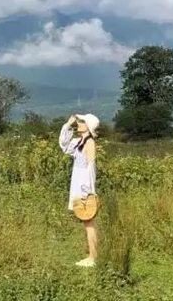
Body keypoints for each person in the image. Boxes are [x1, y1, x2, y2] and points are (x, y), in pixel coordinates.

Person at [59, 113, 100, 267]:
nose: (79, 123)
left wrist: (87, 191)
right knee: (86, 221)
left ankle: (93, 258)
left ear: (88, 126)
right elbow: (64, 146)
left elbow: (91, 168)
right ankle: (92, 255)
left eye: (82, 121)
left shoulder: (89, 143)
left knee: (89, 221)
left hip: (84, 186)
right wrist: (68, 125)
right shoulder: (79, 142)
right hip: (79, 184)